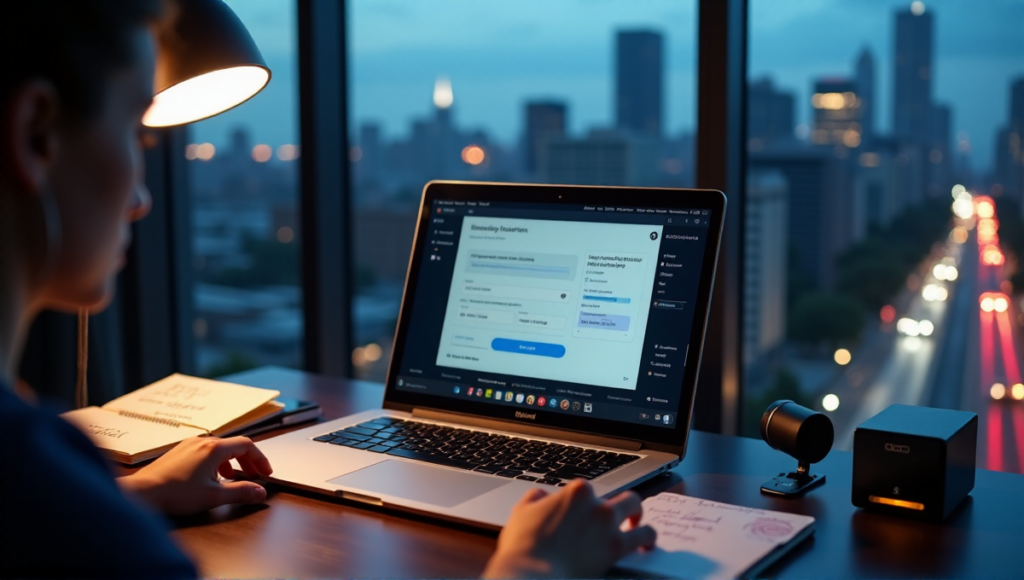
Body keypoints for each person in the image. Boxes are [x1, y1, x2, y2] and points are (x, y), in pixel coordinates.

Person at [0, 2, 656, 578]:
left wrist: (129, 498)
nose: (143, 197)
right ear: (35, 133)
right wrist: (534, 566)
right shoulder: (43, 487)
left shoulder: (46, 491)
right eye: (137, 133)